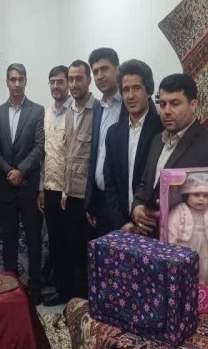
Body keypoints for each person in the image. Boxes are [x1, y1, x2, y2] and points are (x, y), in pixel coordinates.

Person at [131, 73, 208, 238]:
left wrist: (171, 216)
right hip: (147, 238)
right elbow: (145, 183)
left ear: (193, 105)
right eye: (163, 104)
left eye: (175, 104)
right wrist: (137, 207)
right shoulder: (157, 140)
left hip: (183, 242)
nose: (166, 111)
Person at [0, 64, 45, 304]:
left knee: (34, 240)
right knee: (9, 240)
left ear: (25, 81)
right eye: (12, 79)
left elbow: (39, 147)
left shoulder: (37, 111)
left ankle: (35, 288)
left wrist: (21, 171)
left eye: (20, 79)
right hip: (5, 187)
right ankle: (11, 287)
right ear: (7, 82)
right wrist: (9, 172)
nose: (16, 83)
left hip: (28, 187)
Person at [102, 60, 163, 233]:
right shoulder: (113, 133)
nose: (130, 95)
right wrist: (121, 222)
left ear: (148, 91)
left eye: (136, 88)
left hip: (151, 225)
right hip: (122, 225)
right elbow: (110, 181)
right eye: (126, 90)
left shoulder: (162, 129)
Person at [60, 60, 98, 300]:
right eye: (71, 79)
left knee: (89, 256)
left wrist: (93, 202)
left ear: (88, 80)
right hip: (70, 196)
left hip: (88, 199)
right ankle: (76, 304)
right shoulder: (69, 112)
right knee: (73, 253)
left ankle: (90, 304)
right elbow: (69, 155)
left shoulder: (98, 111)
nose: (74, 84)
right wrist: (64, 192)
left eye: (78, 79)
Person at [39, 66, 73, 307]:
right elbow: (44, 156)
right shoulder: (47, 113)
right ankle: (61, 290)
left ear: (68, 84)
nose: (55, 86)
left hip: (70, 192)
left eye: (60, 81)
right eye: (52, 82)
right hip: (50, 189)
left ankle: (74, 292)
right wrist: (40, 188)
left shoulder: (75, 112)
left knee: (71, 243)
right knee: (56, 242)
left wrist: (66, 192)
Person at [84, 48, 127, 234]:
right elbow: (94, 155)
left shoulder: (129, 105)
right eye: (95, 72)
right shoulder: (98, 107)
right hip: (100, 200)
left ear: (117, 69)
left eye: (105, 69)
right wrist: (90, 201)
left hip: (122, 202)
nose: (100, 76)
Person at [166, 172, 208, 282]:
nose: (201, 199)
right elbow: (172, 228)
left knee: (205, 270)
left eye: (205, 196)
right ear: (187, 196)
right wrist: (172, 247)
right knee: (186, 269)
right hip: (184, 247)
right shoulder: (179, 211)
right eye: (196, 195)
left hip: (205, 249)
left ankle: (203, 288)